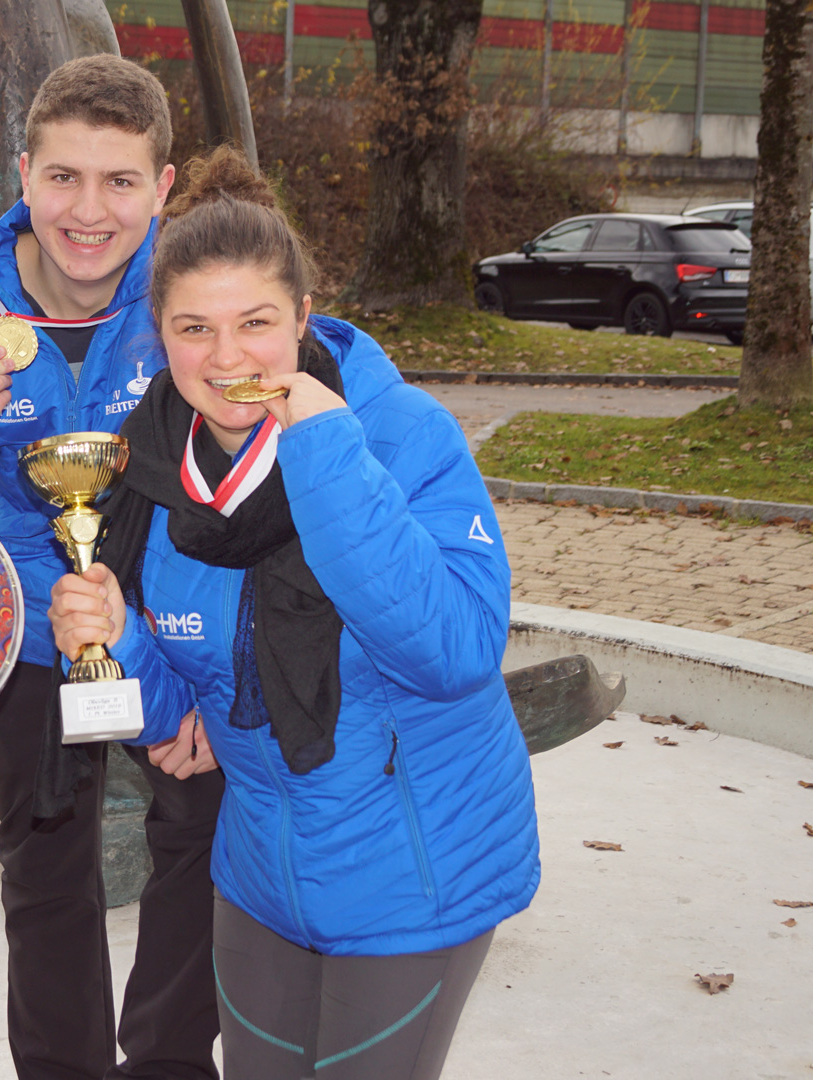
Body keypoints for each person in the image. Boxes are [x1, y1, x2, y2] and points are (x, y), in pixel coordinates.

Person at [47, 147, 539, 1080]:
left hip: (409, 872)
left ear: (304, 318)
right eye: (195, 328)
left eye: (256, 323)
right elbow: (194, 708)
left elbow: (452, 651)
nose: (227, 358)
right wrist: (116, 641)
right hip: (259, 872)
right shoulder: (148, 470)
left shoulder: (396, 435)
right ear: (159, 332)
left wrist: (322, 450)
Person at [0, 54, 225, 1079]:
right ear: (23, 172)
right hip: (22, 635)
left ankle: (167, 1060)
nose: (90, 211)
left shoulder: (191, 292)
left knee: (208, 832)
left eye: (122, 181)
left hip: (160, 621)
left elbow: (258, 474)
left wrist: (232, 663)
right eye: (65, 178)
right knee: (44, 875)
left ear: (164, 189)